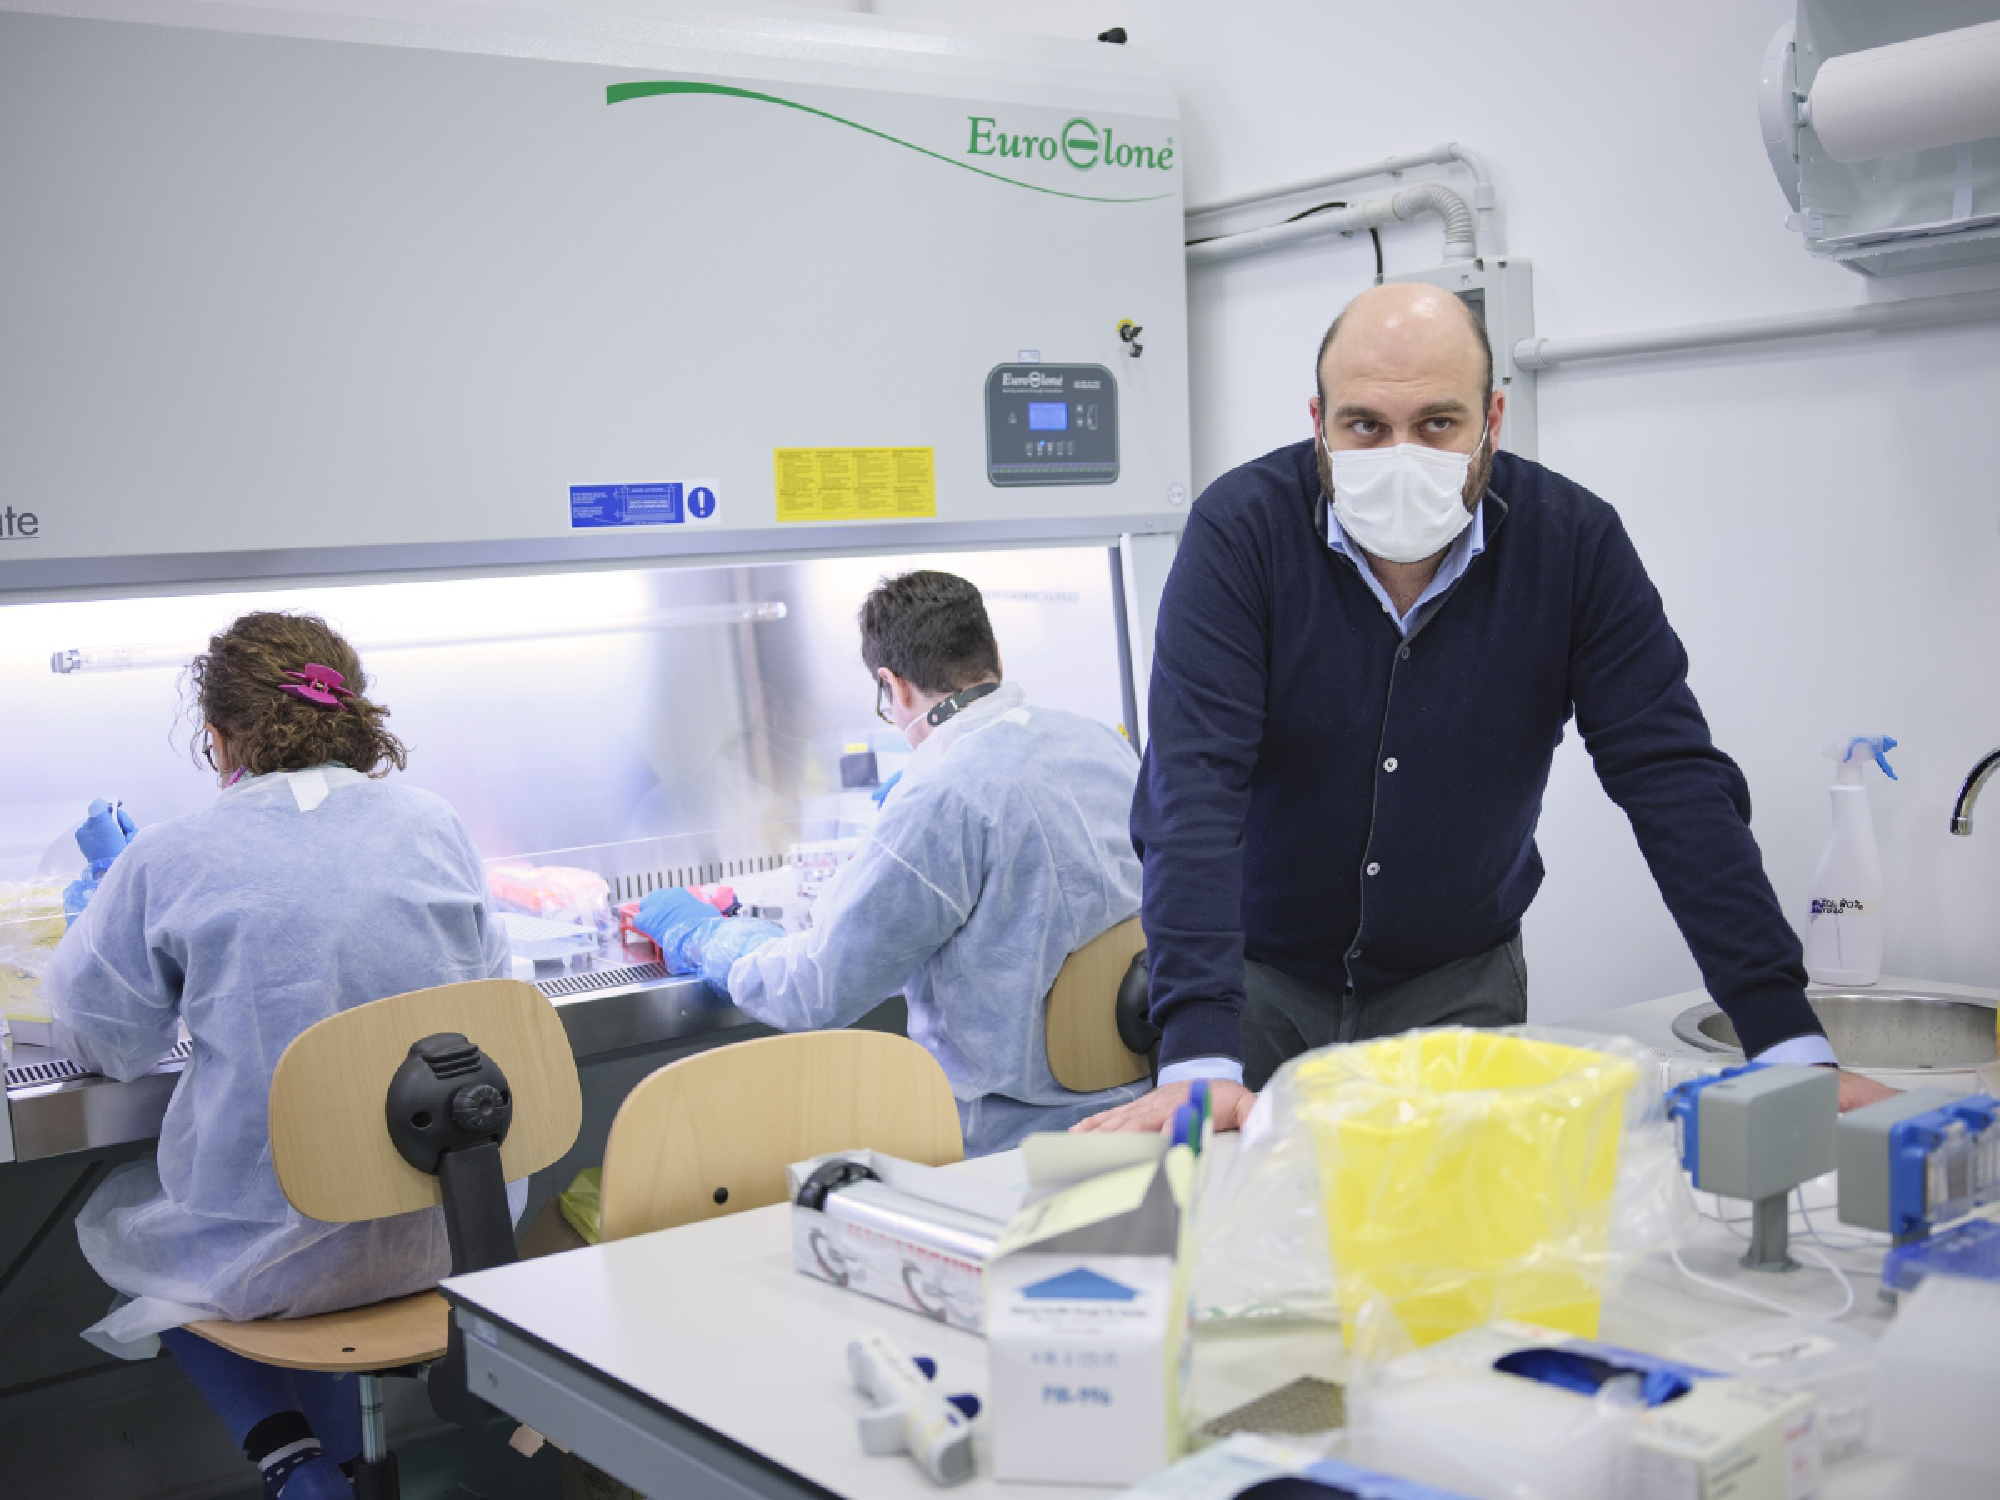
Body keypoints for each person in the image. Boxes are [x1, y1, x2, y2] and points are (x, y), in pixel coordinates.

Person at [1077, 282, 1895, 1136]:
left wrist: (1785, 1039)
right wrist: (1200, 1053)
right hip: (1252, 984)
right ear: (1317, 419)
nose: (1400, 454)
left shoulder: (1572, 543)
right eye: (1365, 425)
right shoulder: (1241, 533)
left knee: (1464, 1242)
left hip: (1458, 984)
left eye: (1437, 424)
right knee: (1245, 1240)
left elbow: (1672, 780)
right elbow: (1194, 790)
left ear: (1493, 418)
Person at [47, 612, 512, 1500]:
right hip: (456, 1227)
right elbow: (497, 1003)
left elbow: (101, 1039)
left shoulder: (170, 854)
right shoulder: (435, 823)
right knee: (315, 1221)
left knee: (126, 1228)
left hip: (277, 1256)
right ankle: (334, 1461)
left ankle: (293, 1465)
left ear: (217, 738)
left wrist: (101, 912)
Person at [634, 570, 1149, 1155]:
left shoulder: (941, 794)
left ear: (894, 687)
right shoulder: (1100, 742)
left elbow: (813, 989)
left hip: (1011, 1155)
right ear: (996, 657)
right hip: (1143, 1119)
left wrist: (705, 938)